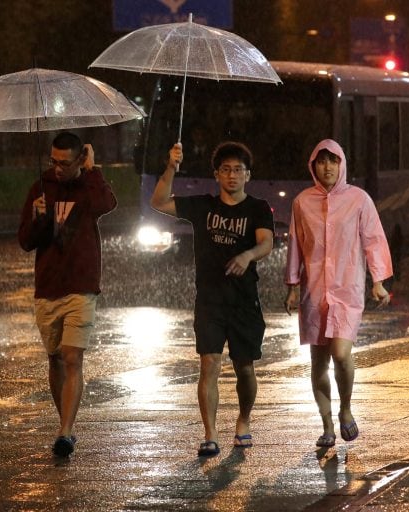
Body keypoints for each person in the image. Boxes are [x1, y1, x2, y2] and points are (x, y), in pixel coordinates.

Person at [151, 141, 274, 457]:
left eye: (238, 170)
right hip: (209, 301)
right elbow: (159, 201)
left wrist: (248, 255)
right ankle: (210, 434)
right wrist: (171, 167)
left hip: (244, 301)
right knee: (209, 363)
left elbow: (266, 243)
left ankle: (243, 420)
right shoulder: (202, 205)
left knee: (244, 368)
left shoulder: (258, 208)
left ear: (247, 175)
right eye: (226, 170)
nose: (232, 176)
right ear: (216, 174)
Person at [284, 139, 392, 448]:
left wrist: (378, 280)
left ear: (342, 164)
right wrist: (292, 285)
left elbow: (373, 239)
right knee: (318, 364)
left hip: (347, 290)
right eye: (321, 161)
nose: (327, 167)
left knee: (341, 353)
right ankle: (327, 425)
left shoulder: (358, 199)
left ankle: (345, 408)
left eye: (333, 161)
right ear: (313, 165)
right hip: (313, 292)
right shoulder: (302, 202)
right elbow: (295, 244)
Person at [18, 131, 117, 457]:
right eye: (54, 161)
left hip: (81, 286)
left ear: (79, 160)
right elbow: (26, 241)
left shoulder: (88, 185)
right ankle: (66, 425)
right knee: (56, 358)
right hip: (48, 287)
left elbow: (106, 204)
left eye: (65, 162)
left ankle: (65, 431)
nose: (58, 168)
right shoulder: (41, 187)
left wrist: (93, 169)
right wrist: (36, 217)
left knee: (73, 356)